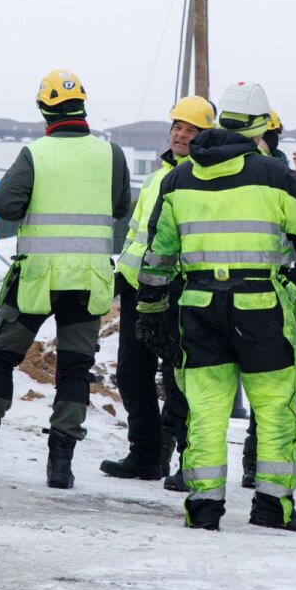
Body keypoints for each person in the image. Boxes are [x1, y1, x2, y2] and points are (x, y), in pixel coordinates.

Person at [136, 81, 296, 532]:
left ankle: (203, 509)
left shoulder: (177, 178)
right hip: (259, 306)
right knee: (275, 408)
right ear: (262, 127)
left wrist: (149, 310)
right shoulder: (272, 174)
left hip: (199, 306)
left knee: (205, 409)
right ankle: (272, 507)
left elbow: (158, 255)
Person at [0, 70, 131, 488]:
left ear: (44, 109)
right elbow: (121, 204)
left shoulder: (35, 154)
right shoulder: (112, 155)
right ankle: (61, 466)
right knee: (75, 369)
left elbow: (4, 204)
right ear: (83, 106)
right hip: (89, 281)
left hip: (37, 280)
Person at [100, 95, 214, 490]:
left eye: (192, 130)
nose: (182, 135)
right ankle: (147, 456)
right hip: (139, 289)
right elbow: (137, 234)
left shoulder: (202, 178)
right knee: (132, 374)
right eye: (178, 128)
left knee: (179, 377)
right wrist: (122, 274)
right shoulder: (155, 176)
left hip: (178, 291)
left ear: (205, 136)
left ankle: (188, 461)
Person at [240, 108, 296, 489]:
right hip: (220, 301)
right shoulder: (222, 177)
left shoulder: (285, 183)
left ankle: (258, 464)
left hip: (270, 306)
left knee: (273, 395)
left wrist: (286, 290)